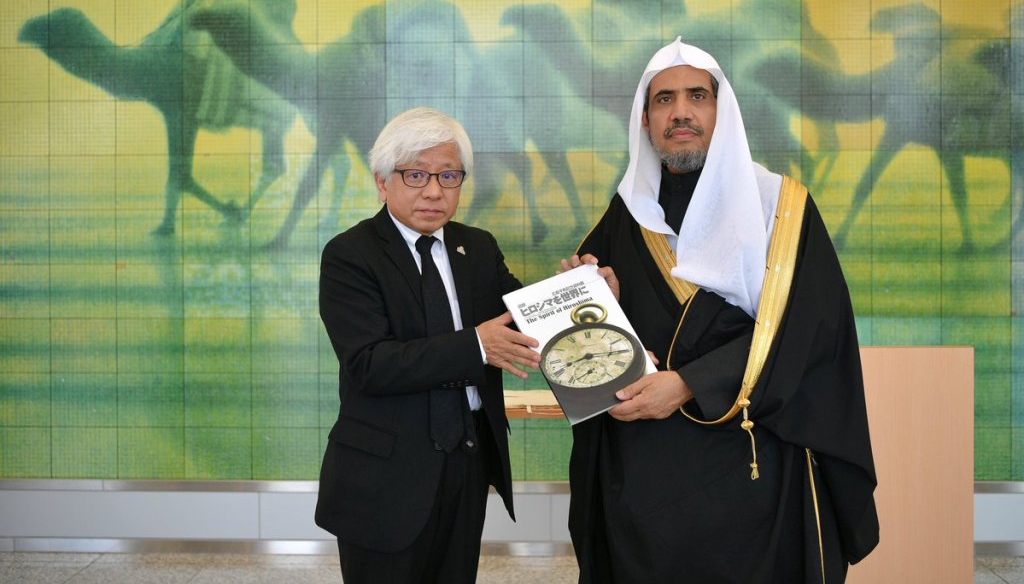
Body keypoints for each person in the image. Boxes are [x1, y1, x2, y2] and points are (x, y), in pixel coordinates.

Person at [561, 38, 879, 583]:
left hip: (754, 466)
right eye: (664, 100)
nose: (680, 112)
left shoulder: (781, 206)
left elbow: (808, 330)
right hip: (648, 478)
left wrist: (687, 383)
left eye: (696, 97)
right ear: (644, 118)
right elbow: (598, 345)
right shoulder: (626, 214)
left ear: (720, 110)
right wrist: (596, 296)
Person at [315, 107, 541, 583]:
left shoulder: (477, 247)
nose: (434, 190)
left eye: (449, 175)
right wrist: (476, 346)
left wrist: (584, 291)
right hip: (384, 477)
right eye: (415, 174)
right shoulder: (349, 255)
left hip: (468, 463)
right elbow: (370, 364)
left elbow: (526, 317)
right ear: (382, 181)